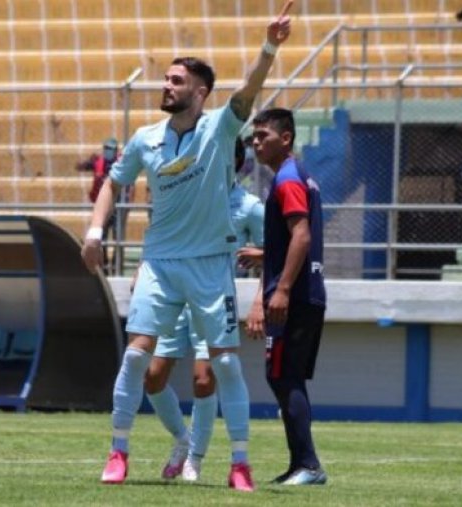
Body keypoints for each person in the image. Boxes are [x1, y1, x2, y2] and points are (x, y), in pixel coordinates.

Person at [80, 0, 294, 492]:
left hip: (208, 266)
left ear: (200, 93)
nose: (167, 85)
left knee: (221, 363)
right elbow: (114, 182)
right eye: (167, 78)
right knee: (137, 358)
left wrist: (268, 47)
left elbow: (249, 91)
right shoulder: (145, 138)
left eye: (177, 81)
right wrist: (94, 232)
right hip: (159, 262)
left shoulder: (218, 129)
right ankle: (119, 451)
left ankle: (239, 463)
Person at [144, 137, 265, 483]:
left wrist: (258, 300)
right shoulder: (189, 194)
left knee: (204, 378)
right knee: (152, 378)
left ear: (235, 163)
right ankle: (182, 441)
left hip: (212, 299)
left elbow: (272, 252)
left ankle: (195, 459)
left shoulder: (250, 206)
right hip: (175, 296)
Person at [242, 108, 328, 486]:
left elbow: (302, 236)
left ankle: (308, 466)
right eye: (253, 138)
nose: (256, 143)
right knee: (286, 376)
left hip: (295, 296)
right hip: (307, 292)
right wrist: (267, 256)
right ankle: (300, 466)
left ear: (286, 138)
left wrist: (282, 290)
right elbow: (297, 238)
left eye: (263, 136)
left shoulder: (287, 180)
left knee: (282, 376)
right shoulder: (300, 176)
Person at [78, 137, 121, 274]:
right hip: (104, 207)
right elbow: (82, 166)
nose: (108, 151)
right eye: (106, 148)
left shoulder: (121, 164)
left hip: (119, 208)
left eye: (111, 149)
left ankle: (117, 267)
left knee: (118, 238)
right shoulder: (99, 163)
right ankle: (104, 267)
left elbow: (128, 187)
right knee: (102, 238)